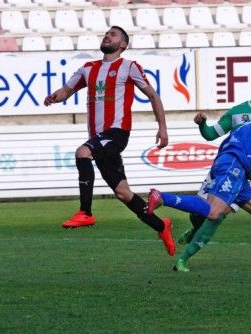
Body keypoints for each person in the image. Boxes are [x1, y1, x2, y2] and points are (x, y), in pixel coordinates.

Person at [43, 26, 176, 256]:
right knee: (123, 193)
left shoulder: (129, 67)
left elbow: (153, 95)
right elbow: (67, 89)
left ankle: (85, 212)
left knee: (82, 153)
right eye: (106, 33)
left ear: (123, 45)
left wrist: (162, 128)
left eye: (113, 35)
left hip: (116, 133)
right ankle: (161, 225)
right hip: (99, 138)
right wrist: (55, 96)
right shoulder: (88, 69)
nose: (107, 36)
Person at [146, 113, 251, 281]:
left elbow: (247, 148)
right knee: (213, 212)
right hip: (234, 166)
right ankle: (162, 197)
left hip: (232, 164)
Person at [177, 65, 251, 249]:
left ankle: (185, 257)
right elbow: (211, 134)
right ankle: (195, 229)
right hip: (225, 166)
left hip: (247, 175)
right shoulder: (237, 111)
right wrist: (202, 124)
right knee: (197, 213)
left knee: (217, 214)